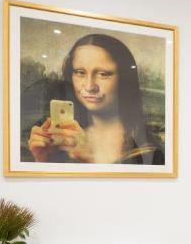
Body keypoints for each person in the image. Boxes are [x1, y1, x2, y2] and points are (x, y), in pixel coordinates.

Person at [27, 33, 163, 165]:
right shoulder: (62, 136)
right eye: (80, 73)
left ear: (124, 79)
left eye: (103, 74)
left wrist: (92, 161)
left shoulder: (147, 146)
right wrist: (42, 160)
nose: (89, 86)